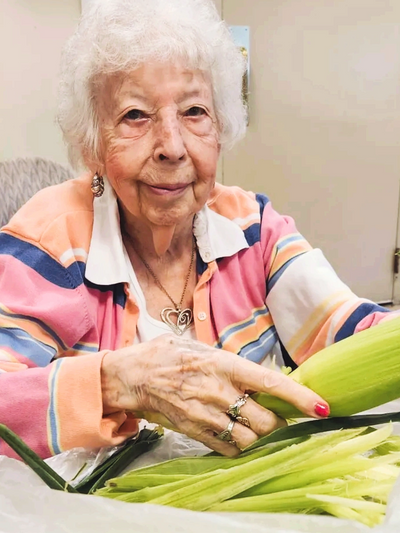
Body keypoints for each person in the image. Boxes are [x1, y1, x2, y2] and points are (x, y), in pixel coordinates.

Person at [0, 0, 394, 460]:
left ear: (221, 128)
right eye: (135, 115)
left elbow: (358, 334)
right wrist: (119, 382)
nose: (172, 146)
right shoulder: (53, 240)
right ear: (92, 146)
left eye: (193, 111)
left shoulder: (252, 227)